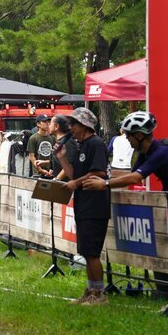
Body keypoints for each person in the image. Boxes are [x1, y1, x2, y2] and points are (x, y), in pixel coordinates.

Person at [82, 111, 168, 309]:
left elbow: (136, 178)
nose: (126, 139)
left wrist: (105, 184)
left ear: (139, 135)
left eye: (128, 135)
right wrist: (103, 179)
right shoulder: (145, 152)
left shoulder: (161, 151)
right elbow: (129, 174)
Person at [54, 107, 109, 305]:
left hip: (95, 206)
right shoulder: (81, 146)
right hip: (82, 204)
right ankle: (90, 289)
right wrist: (61, 158)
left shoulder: (96, 144)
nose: (71, 128)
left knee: (92, 252)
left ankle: (99, 294)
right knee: (86, 251)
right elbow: (73, 175)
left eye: (74, 124)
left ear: (85, 125)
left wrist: (76, 184)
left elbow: (99, 173)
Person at [48, 115, 78, 181]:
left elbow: (69, 165)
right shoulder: (59, 142)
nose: (49, 126)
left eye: (50, 124)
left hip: (67, 185)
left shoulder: (68, 142)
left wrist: (56, 180)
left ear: (56, 126)